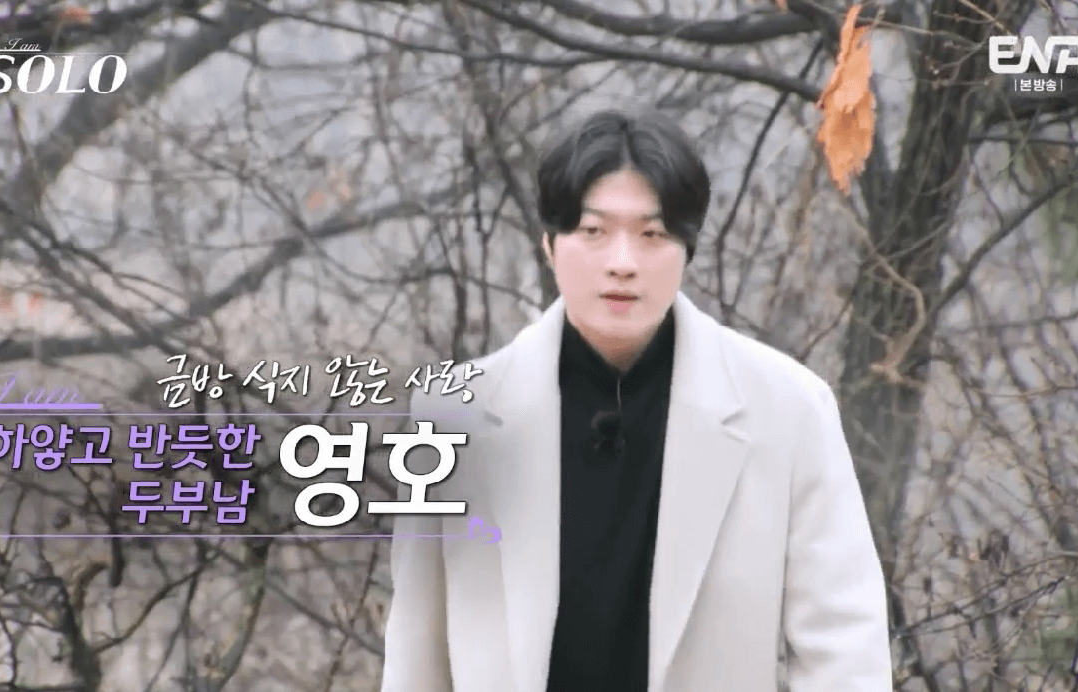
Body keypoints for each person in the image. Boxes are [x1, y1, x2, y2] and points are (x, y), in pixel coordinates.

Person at [380, 109, 892, 692]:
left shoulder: (789, 409)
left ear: (686, 248)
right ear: (549, 244)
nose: (622, 263)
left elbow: (844, 651)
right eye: (593, 232)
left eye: (652, 235)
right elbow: (417, 651)